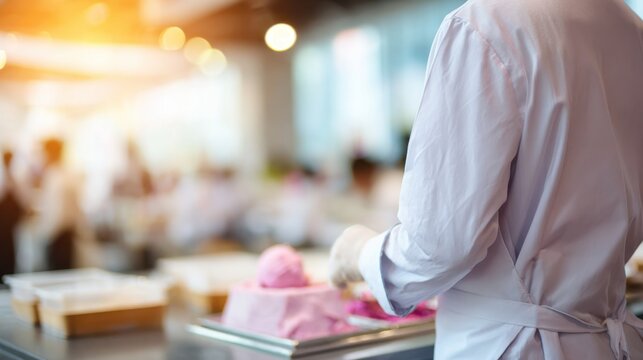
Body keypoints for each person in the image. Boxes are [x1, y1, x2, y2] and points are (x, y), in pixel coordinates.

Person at [329, 0, 643, 359]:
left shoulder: (485, 24)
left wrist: (359, 254)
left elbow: (441, 243)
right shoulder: (631, 30)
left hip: (511, 346)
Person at [0, 151, 26, 281]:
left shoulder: (14, 179)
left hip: (9, 227)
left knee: (9, 253)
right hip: (2, 226)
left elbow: (21, 201)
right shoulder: (4, 178)